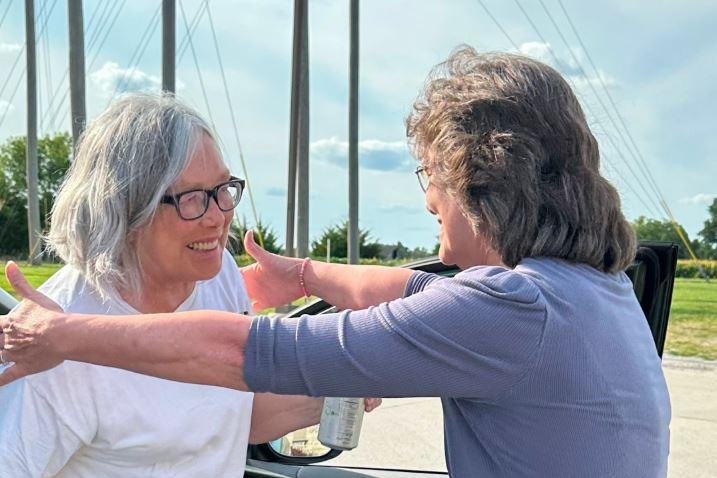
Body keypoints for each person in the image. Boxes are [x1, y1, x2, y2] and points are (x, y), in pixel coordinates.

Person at [1, 47, 670, 477]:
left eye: (430, 173)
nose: (428, 197)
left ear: (480, 183)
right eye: (193, 198)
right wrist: (309, 279)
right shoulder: (591, 289)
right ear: (127, 206)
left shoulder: (511, 309)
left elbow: (245, 351)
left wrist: (62, 338)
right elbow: (409, 288)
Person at [0, 93, 378, 478]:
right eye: (192, 198)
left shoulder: (218, 276)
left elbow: (230, 418)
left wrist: (341, 380)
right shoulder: (53, 341)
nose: (217, 217)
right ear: (126, 207)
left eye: (222, 189)